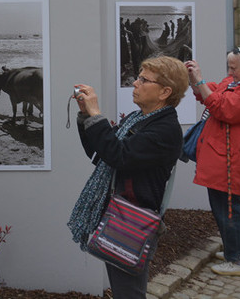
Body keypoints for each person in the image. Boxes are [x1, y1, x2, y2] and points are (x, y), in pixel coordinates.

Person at [68, 56, 188, 299]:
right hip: (118, 214)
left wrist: (96, 114)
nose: (135, 83)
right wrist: (86, 116)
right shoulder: (139, 119)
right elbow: (101, 154)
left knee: (129, 293)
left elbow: (118, 155)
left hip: (132, 221)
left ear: (165, 92)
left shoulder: (164, 130)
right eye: (138, 77)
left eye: (144, 80)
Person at [184, 46, 240, 277]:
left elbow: (223, 108)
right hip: (224, 158)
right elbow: (209, 94)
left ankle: (238, 260)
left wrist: (200, 81)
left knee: (229, 209)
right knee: (224, 207)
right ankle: (236, 250)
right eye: (229, 67)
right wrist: (195, 80)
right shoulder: (237, 83)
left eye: (233, 68)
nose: (230, 72)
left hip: (232, 161)